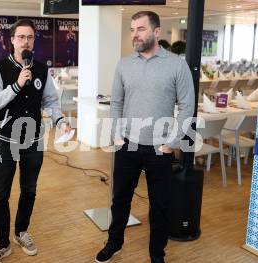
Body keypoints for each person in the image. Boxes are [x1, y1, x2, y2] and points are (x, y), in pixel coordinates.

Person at [94, 11, 194, 263]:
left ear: (156, 32)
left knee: (159, 206)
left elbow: (187, 107)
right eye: (132, 30)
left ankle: (156, 254)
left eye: (140, 29)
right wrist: (117, 134)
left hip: (159, 150)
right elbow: (116, 102)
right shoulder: (124, 64)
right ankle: (114, 243)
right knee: (120, 201)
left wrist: (171, 144)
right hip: (127, 145)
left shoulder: (176, 65)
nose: (134, 35)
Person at [0, 18, 71, 263]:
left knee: (29, 190)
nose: (25, 41)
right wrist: (17, 84)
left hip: (33, 141)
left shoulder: (41, 70)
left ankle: (21, 231)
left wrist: (60, 120)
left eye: (30, 37)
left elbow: (51, 102)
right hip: (5, 140)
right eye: (20, 37)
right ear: (11, 40)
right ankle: (2, 242)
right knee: (0, 194)